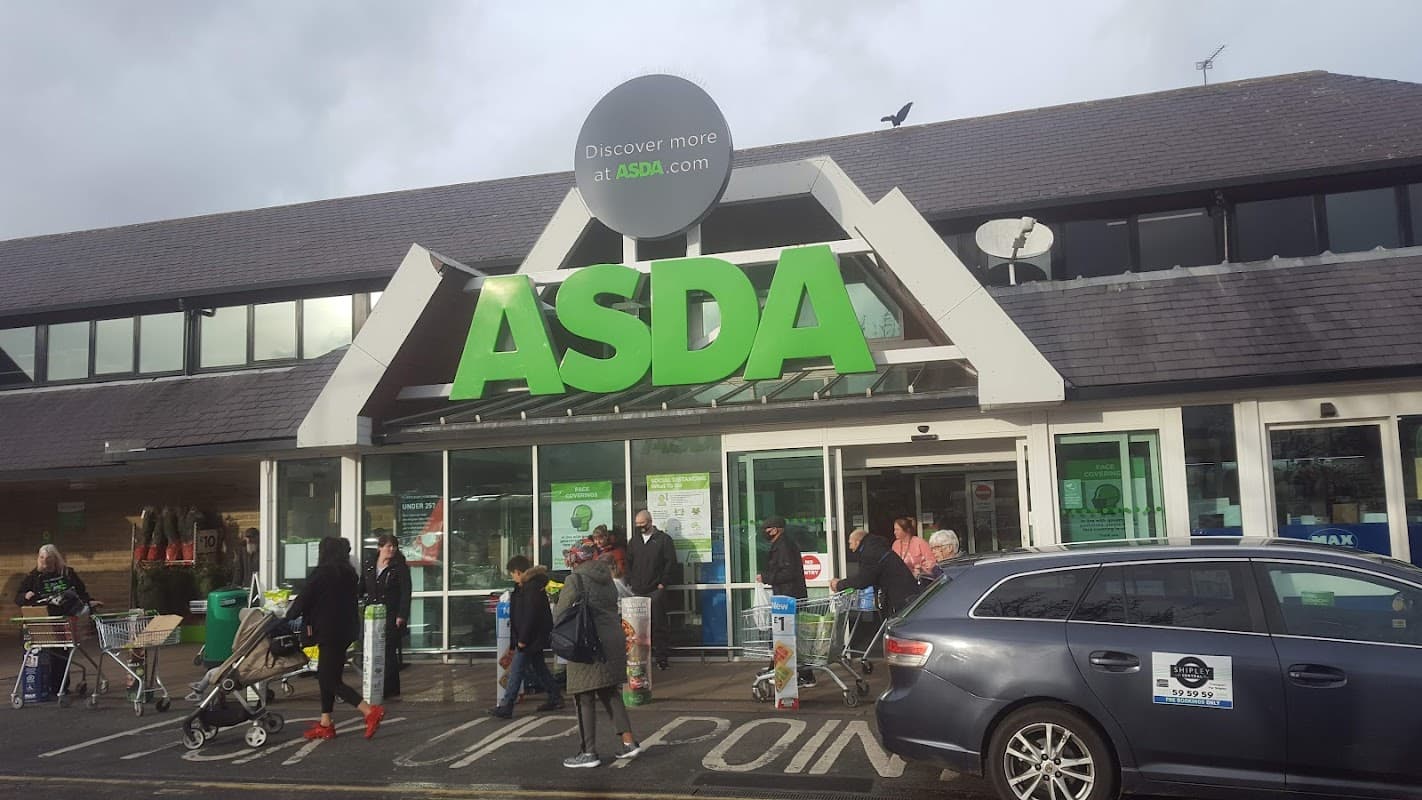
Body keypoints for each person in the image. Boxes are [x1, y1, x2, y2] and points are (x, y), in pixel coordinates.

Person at [285, 536, 384, 740]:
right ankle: (325, 722)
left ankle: (368, 710)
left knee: (328, 678)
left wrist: (288, 616)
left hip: (328, 631)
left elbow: (304, 599)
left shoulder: (321, 574)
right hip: (346, 630)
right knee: (330, 676)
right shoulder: (349, 574)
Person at [556, 540, 640, 769]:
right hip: (611, 640)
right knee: (610, 691)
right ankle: (628, 742)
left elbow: (561, 613)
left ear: (576, 559)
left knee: (583, 695)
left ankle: (588, 752)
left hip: (587, 643)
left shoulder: (575, 579)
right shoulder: (608, 579)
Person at [15, 544, 101, 697]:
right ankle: (55, 687)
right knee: (56, 652)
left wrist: (90, 602)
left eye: (48, 558)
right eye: (41, 558)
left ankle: (60, 687)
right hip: (45, 621)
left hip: (66, 619)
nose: (44, 562)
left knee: (61, 651)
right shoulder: (33, 577)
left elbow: (81, 592)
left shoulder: (67, 573)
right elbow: (18, 598)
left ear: (55, 559)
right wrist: (25, 596)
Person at [489, 554, 563, 718]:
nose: (512, 577)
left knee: (516, 670)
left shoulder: (530, 589)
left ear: (518, 571)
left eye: (512, 574)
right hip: (531, 637)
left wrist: (522, 639)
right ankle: (555, 695)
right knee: (539, 667)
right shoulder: (528, 587)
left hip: (529, 638)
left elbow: (530, 616)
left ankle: (507, 704)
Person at [754, 515, 814, 687]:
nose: (765, 532)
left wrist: (765, 577)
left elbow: (789, 573)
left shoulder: (784, 546)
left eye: (768, 529)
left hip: (789, 598)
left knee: (787, 637)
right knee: (783, 636)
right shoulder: (781, 544)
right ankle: (778, 668)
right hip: (786, 597)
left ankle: (803, 674)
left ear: (776, 529)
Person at [626, 509, 677, 671]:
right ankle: (641, 658)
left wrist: (663, 583)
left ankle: (661, 658)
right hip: (637, 590)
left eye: (643, 524)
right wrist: (630, 582)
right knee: (638, 627)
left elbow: (670, 563)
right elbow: (629, 563)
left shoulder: (663, 540)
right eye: (637, 524)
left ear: (650, 521)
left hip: (656, 589)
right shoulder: (634, 541)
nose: (640, 527)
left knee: (658, 625)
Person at [363, 533, 412, 699]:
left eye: (394, 546)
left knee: (389, 651)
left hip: (391, 613)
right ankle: (374, 684)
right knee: (373, 649)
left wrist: (402, 615)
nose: (391, 549)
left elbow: (406, 593)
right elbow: (363, 586)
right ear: (380, 548)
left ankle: (390, 687)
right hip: (373, 614)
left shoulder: (400, 568)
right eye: (388, 546)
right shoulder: (370, 565)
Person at [832, 528, 921, 617]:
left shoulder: (870, 553)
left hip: (901, 597)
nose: (850, 547)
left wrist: (839, 584)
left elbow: (863, 579)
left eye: (850, 543)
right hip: (903, 592)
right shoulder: (876, 547)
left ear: (857, 542)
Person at [891, 517, 936, 584]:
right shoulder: (895, 544)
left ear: (907, 530)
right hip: (901, 581)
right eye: (894, 530)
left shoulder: (920, 543)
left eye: (897, 530)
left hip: (920, 581)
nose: (894, 532)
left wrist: (922, 569)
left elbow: (932, 563)